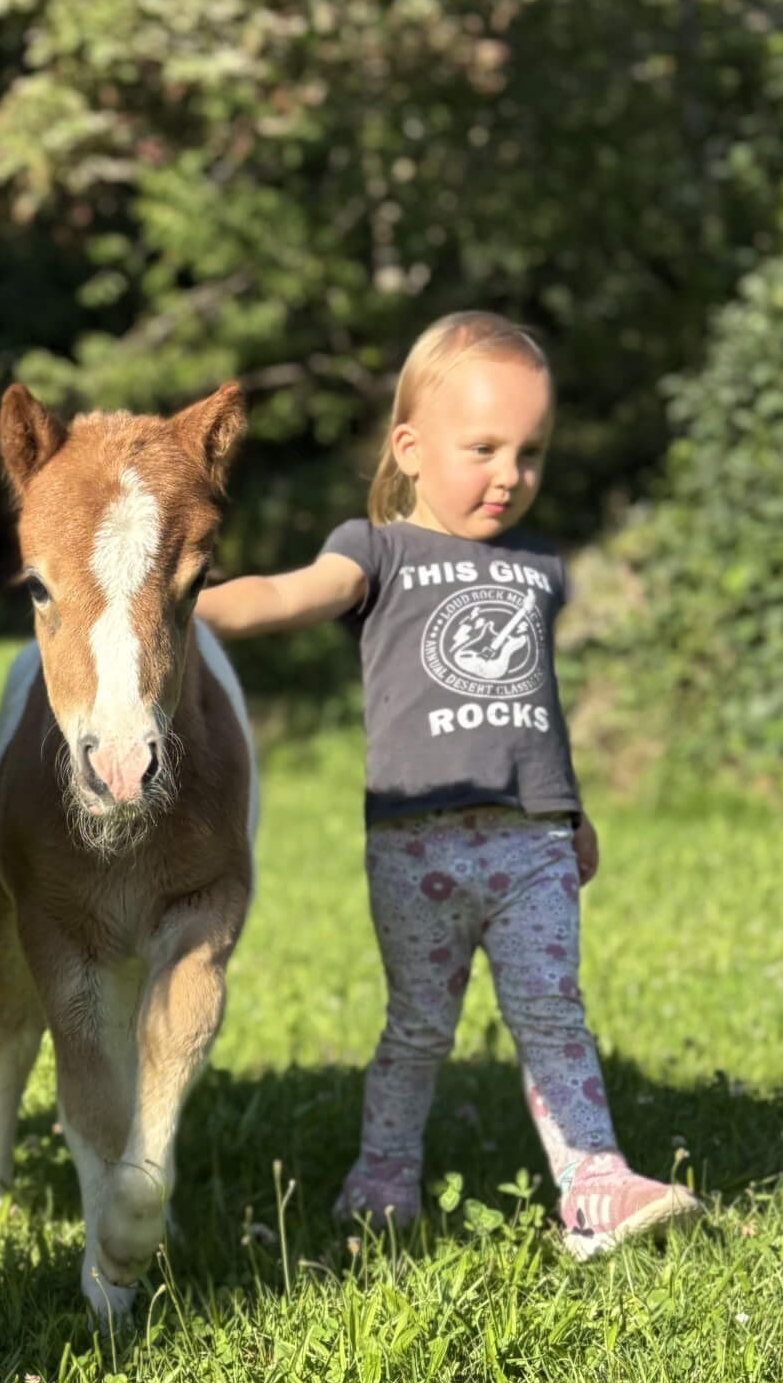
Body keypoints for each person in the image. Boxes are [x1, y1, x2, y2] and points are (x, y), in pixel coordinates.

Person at [196, 312, 699, 1259]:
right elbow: (283, 594)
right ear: (411, 449)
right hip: (416, 844)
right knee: (419, 1028)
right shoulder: (376, 549)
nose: (511, 473)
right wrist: (177, 605)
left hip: (532, 845)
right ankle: (381, 1181)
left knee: (553, 1011)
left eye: (531, 451)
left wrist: (572, 808)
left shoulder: (537, 567)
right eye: (484, 449)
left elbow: (533, 707)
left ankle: (593, 1185)